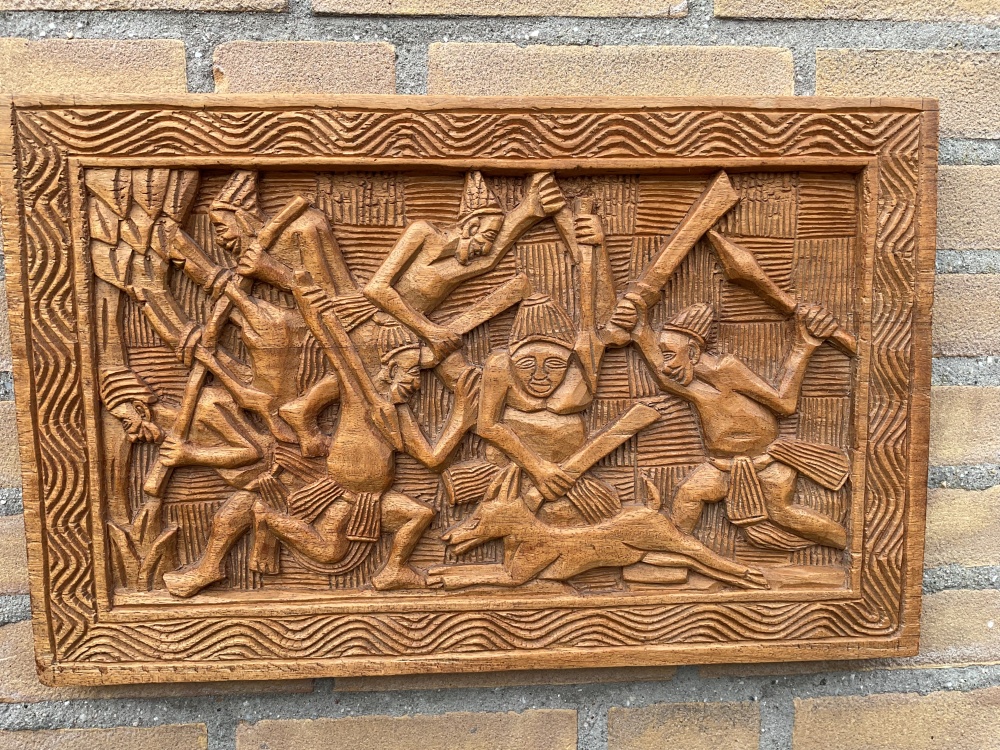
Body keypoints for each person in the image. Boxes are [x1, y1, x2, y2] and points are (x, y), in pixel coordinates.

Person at [164, 316, 479, 597]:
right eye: (411, 373)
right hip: (332, 487)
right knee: (328, 550)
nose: (417, 383)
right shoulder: (358, 392)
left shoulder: (399, 415)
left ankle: (393, 570)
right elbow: (296, 409)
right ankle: (265, 522)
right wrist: (311, 437)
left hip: (370, 499)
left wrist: (461, 418)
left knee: (418, 515)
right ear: (391, 369)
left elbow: (433, 459)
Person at [625, 299, 850, 551]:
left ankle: (848, 545)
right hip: (722, 466)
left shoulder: (728, 369)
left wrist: (803, 346)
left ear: (693, 352)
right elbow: (663, 378)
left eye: (669, 355)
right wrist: (640, 331)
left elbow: (785, 404)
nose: (666, 366)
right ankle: (678, 553)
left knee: (782, 513)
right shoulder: (693, 383)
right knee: (689, 494)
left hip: (766, 462)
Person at [362, 171, 567, 387]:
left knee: (464, 381)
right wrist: (430, 332)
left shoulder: (457, 262)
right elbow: (375, 289)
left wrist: (530, 210)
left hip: (411, 330)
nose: (486, 247)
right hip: (375, 323)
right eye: (487, 237)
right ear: (471, 227)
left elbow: (489, 258)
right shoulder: (422, 233)